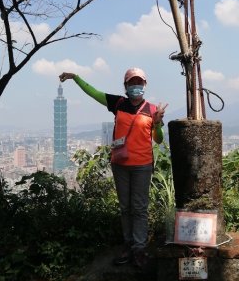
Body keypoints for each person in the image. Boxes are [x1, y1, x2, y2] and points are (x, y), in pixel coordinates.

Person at [59, 67, 167, 270]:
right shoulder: (118, 103)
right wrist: (76, 78)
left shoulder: (152, 110)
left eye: (139, 82)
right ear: (125, 86)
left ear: (145, 85)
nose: (136, 86)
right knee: (125, 207)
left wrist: (158, 123)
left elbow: (158, 140)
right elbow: (93, 92)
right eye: (132, 82)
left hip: (142, 165)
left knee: (139, 208)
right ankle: (128, 244)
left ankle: (139, 247)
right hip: (120, 164)